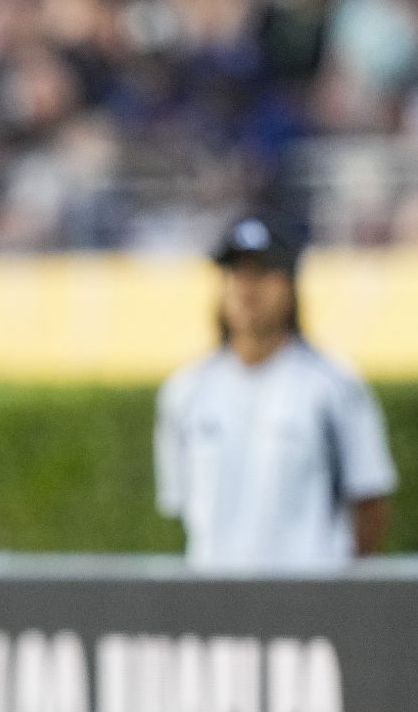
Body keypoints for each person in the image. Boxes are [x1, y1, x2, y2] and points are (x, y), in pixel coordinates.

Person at [156, 217, 396, 571]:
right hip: (215, 607)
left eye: (262, 272)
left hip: (306, 608)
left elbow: (370, 500)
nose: (246, 288)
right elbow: (182, 504)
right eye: (235, 273)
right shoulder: (186, 390)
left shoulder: (333, 386)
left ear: (290, 284)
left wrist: (342, 593)